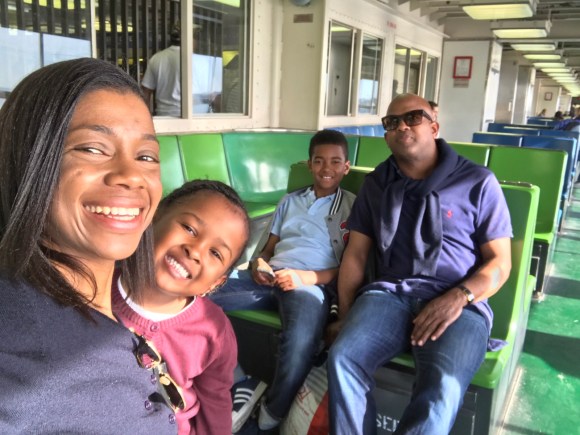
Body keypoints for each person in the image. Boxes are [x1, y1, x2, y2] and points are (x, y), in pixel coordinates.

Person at [0, 58, 176, 433]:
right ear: (29, 160)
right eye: (93, 149)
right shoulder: (32, 366)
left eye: (146, 156)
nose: (131, 176)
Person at [326, 93, 513, 434]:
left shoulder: (477, 181)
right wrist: (345, 314)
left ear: (434, 127)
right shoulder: (377, 184)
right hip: (390, 295)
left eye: (413, 117)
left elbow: (500, 262)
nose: (402, 127)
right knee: (343, 357)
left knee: (443, 385)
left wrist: (459, 297)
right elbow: (356, 254)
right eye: (392, 122)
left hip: (459, 302)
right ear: (385, 136)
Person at [209, 129, 355, 432]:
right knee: (199, 291)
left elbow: (352, 265)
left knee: (301, 341)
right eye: (319, 161)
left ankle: (273, 411)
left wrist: (306, 278)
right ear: (309, 164)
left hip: (311, 285)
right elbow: (266, 250)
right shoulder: (290, 201)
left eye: (335, 162)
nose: (326, 168)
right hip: (269, 277)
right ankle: (239, 379)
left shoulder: (353, 207)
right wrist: (260, 264)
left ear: (346, 167)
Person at [112, 180, 250, 435]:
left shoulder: (214, 331)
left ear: (215, 283)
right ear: (155, 216)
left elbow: (215, 404)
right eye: (189, 228)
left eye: (216, 253)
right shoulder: (93, 287)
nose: (195, 251)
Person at [142, 24, 181, 117]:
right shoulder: (195, 58)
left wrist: (147, 117)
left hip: (163, 117)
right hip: (195, 116)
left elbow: (146, 91)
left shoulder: (156, 58)